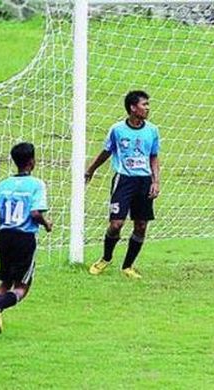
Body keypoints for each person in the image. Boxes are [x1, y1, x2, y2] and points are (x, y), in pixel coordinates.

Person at [86, 90, 161, 279]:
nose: (147, 108)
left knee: (141, 225)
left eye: (148, 105)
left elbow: (153, 156)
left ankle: (128, 266)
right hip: (124, 180)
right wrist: (91, 169)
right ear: (132, 107)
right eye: (144, 105)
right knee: (116, 224)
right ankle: (105, 258)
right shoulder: (117, 129)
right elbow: (106, 152)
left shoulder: (152, 130)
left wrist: (155, 181)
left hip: (144, 181)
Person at [0, 142, 52, 334]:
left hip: (5, 236)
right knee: (22, 285)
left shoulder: (4, 184)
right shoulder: (36, 184)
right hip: (24, 238)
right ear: (32, 161)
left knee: (6, 281)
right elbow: (35, 214)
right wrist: (47, 224)